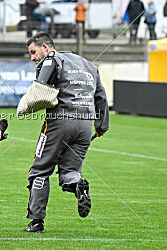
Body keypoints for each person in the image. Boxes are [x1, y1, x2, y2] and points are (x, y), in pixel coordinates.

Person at [22, 32, 109, 233]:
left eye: (34, 52)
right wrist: (101, 125)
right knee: (70, 172)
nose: (33, 57)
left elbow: (40, 90)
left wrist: (26, 106)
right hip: (86, 125)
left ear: (46, 47)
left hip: (60, 122)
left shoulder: (51, 60)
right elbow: (101, 97)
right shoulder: (89, 65)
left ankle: (36, 222)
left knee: (39, 171)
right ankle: (78, 185)